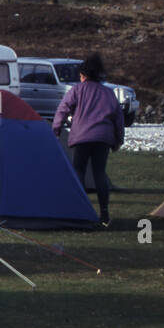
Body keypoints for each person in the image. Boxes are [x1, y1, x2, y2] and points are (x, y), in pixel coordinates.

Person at [53, 53, 125, 226]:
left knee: (79, 171)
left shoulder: (76, 90)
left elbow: (63, 109)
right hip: (103, 139)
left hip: (81, 137)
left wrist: (56, 129)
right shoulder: (108, 93)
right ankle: (104, 214)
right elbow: (118, 118)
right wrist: (118, 140)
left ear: (83, 75)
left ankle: (78, 210)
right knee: (100, 173)